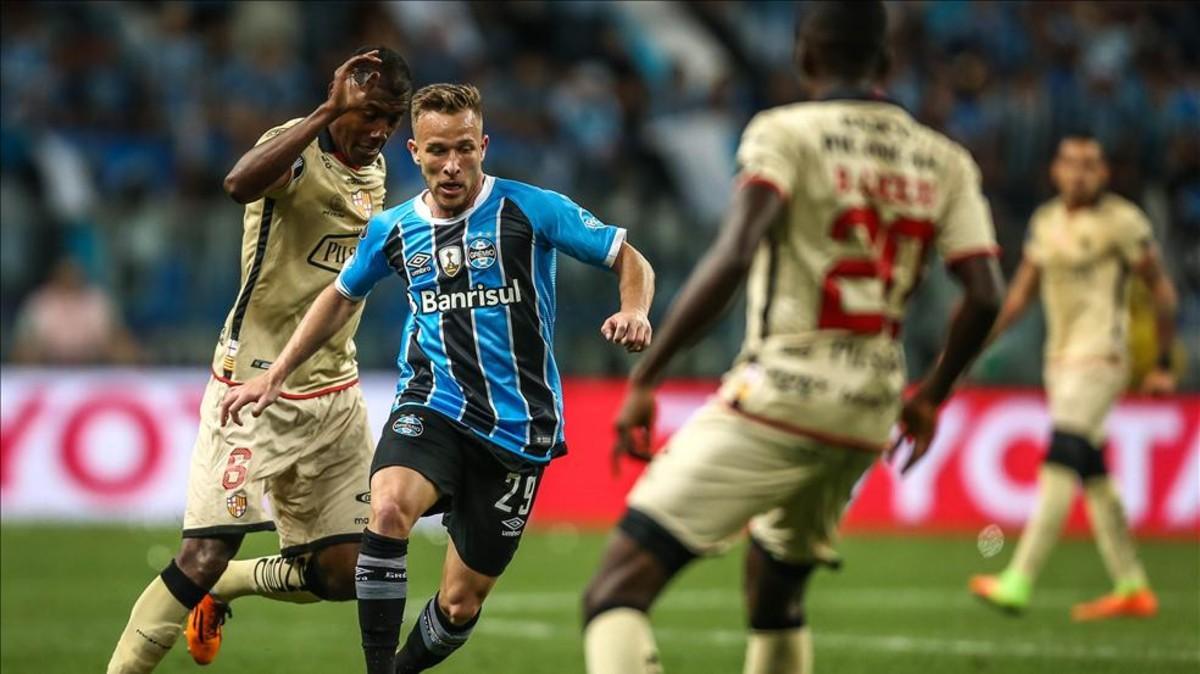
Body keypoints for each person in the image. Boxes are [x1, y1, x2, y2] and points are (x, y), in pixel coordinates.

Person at [580, 3, 1006, 672]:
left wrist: (648, 374)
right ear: (886, 65)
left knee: (614, 592)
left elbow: (735, 253)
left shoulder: (785, 132)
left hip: (783, 394)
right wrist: (931, 398)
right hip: (870, 409)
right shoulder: (943, 159)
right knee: (775, 592)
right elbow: (985, 295)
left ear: (805, 58)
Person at [219, 83, 655, 674]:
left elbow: (628, 257)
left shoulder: (530, 208)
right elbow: (341, 296)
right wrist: (275, 375)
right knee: (390, 506)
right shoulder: (394, 229)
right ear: (414, 152)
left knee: (458, 604)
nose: (452, 166)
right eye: (438, 151)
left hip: (517, 427)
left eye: (465, 149)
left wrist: (634, 310)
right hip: (433, 402)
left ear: (484, 146)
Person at [106, 46, 412, 673]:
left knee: (348, 571)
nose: (379, 130)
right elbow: (238, 183)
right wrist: (329, 109)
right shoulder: (297, 152)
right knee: (200, 557)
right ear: (340, 106)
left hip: (335, 392)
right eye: (369, 114)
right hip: (253, 389)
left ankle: (230, 585)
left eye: (392, 119)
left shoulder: (375, 173)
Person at [969, 134, 1178, 621]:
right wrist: (978, 338)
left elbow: (1163, 291)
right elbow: (1020, 294)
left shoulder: (1123, 223)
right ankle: (1132, 585)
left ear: (1104, 173)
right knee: (1092, 470)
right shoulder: (1044, 223)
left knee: (1061, 454)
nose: (1079, 173)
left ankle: (1018, 578)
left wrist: (1163, 363)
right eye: (1070, 163)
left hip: (1102, 356)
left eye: (1090, 165)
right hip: (1059, 362)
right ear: (1055, 171)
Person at [9, 257, 140, 364]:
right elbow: (25, 341)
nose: (70, 279)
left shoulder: (97, 300)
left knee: (124, 350)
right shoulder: (40, 302)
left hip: (95, 362)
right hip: (49, 363)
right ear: (55, 278)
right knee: (25, 352)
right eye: (65, 275)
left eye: (74, 275)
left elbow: (115, 335)